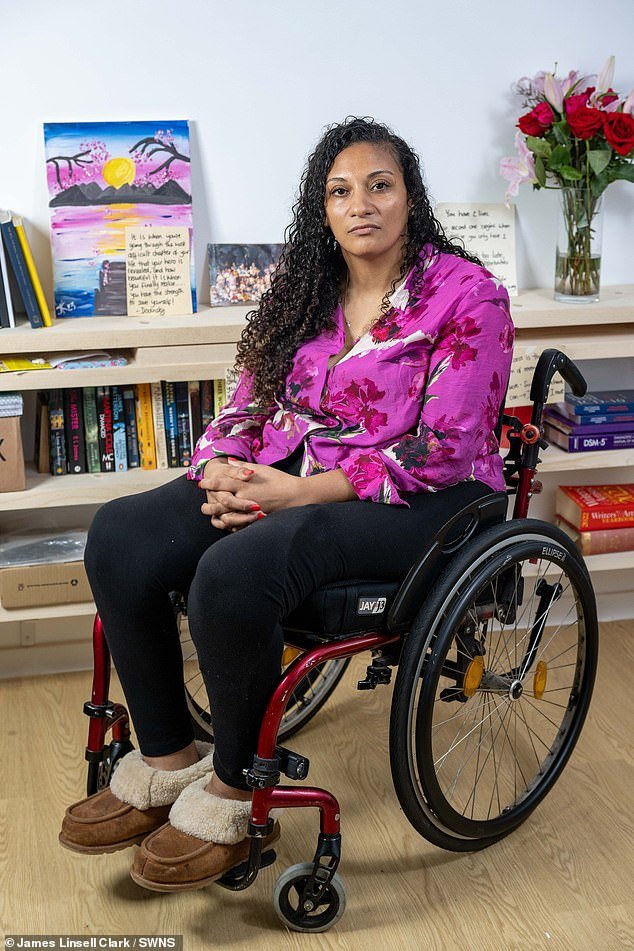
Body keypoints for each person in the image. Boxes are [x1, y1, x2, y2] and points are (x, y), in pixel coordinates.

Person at [59, 116, 514, 891]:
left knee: (234, 571)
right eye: (341, 191)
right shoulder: (304, 289)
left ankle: (236, 795)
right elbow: (246, 400)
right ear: (322, 208)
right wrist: (222, 466)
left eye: (380, 185)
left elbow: (443, 446)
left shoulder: (468, 296)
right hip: (289, 476)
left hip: (423, 500)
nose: (361, 204)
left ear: (410, 197)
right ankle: (167, 759)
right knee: (122, 535)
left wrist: (299, 493)